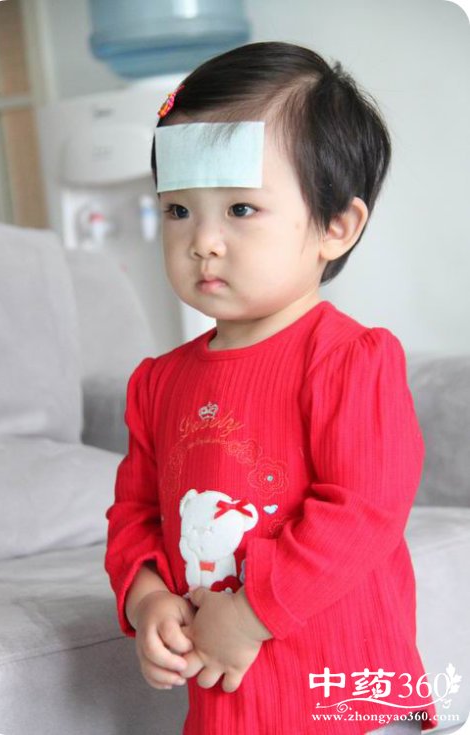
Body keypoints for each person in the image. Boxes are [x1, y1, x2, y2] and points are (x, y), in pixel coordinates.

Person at [104, 41, 438, 734]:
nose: (203, 241)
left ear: (336, 227)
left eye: (240, 209)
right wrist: (146, 596)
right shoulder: (158, 383)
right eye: (178, 211)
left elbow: (364, 510)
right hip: (229, 709)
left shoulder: (349, 360)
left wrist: (252, 611)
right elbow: (134, 514)